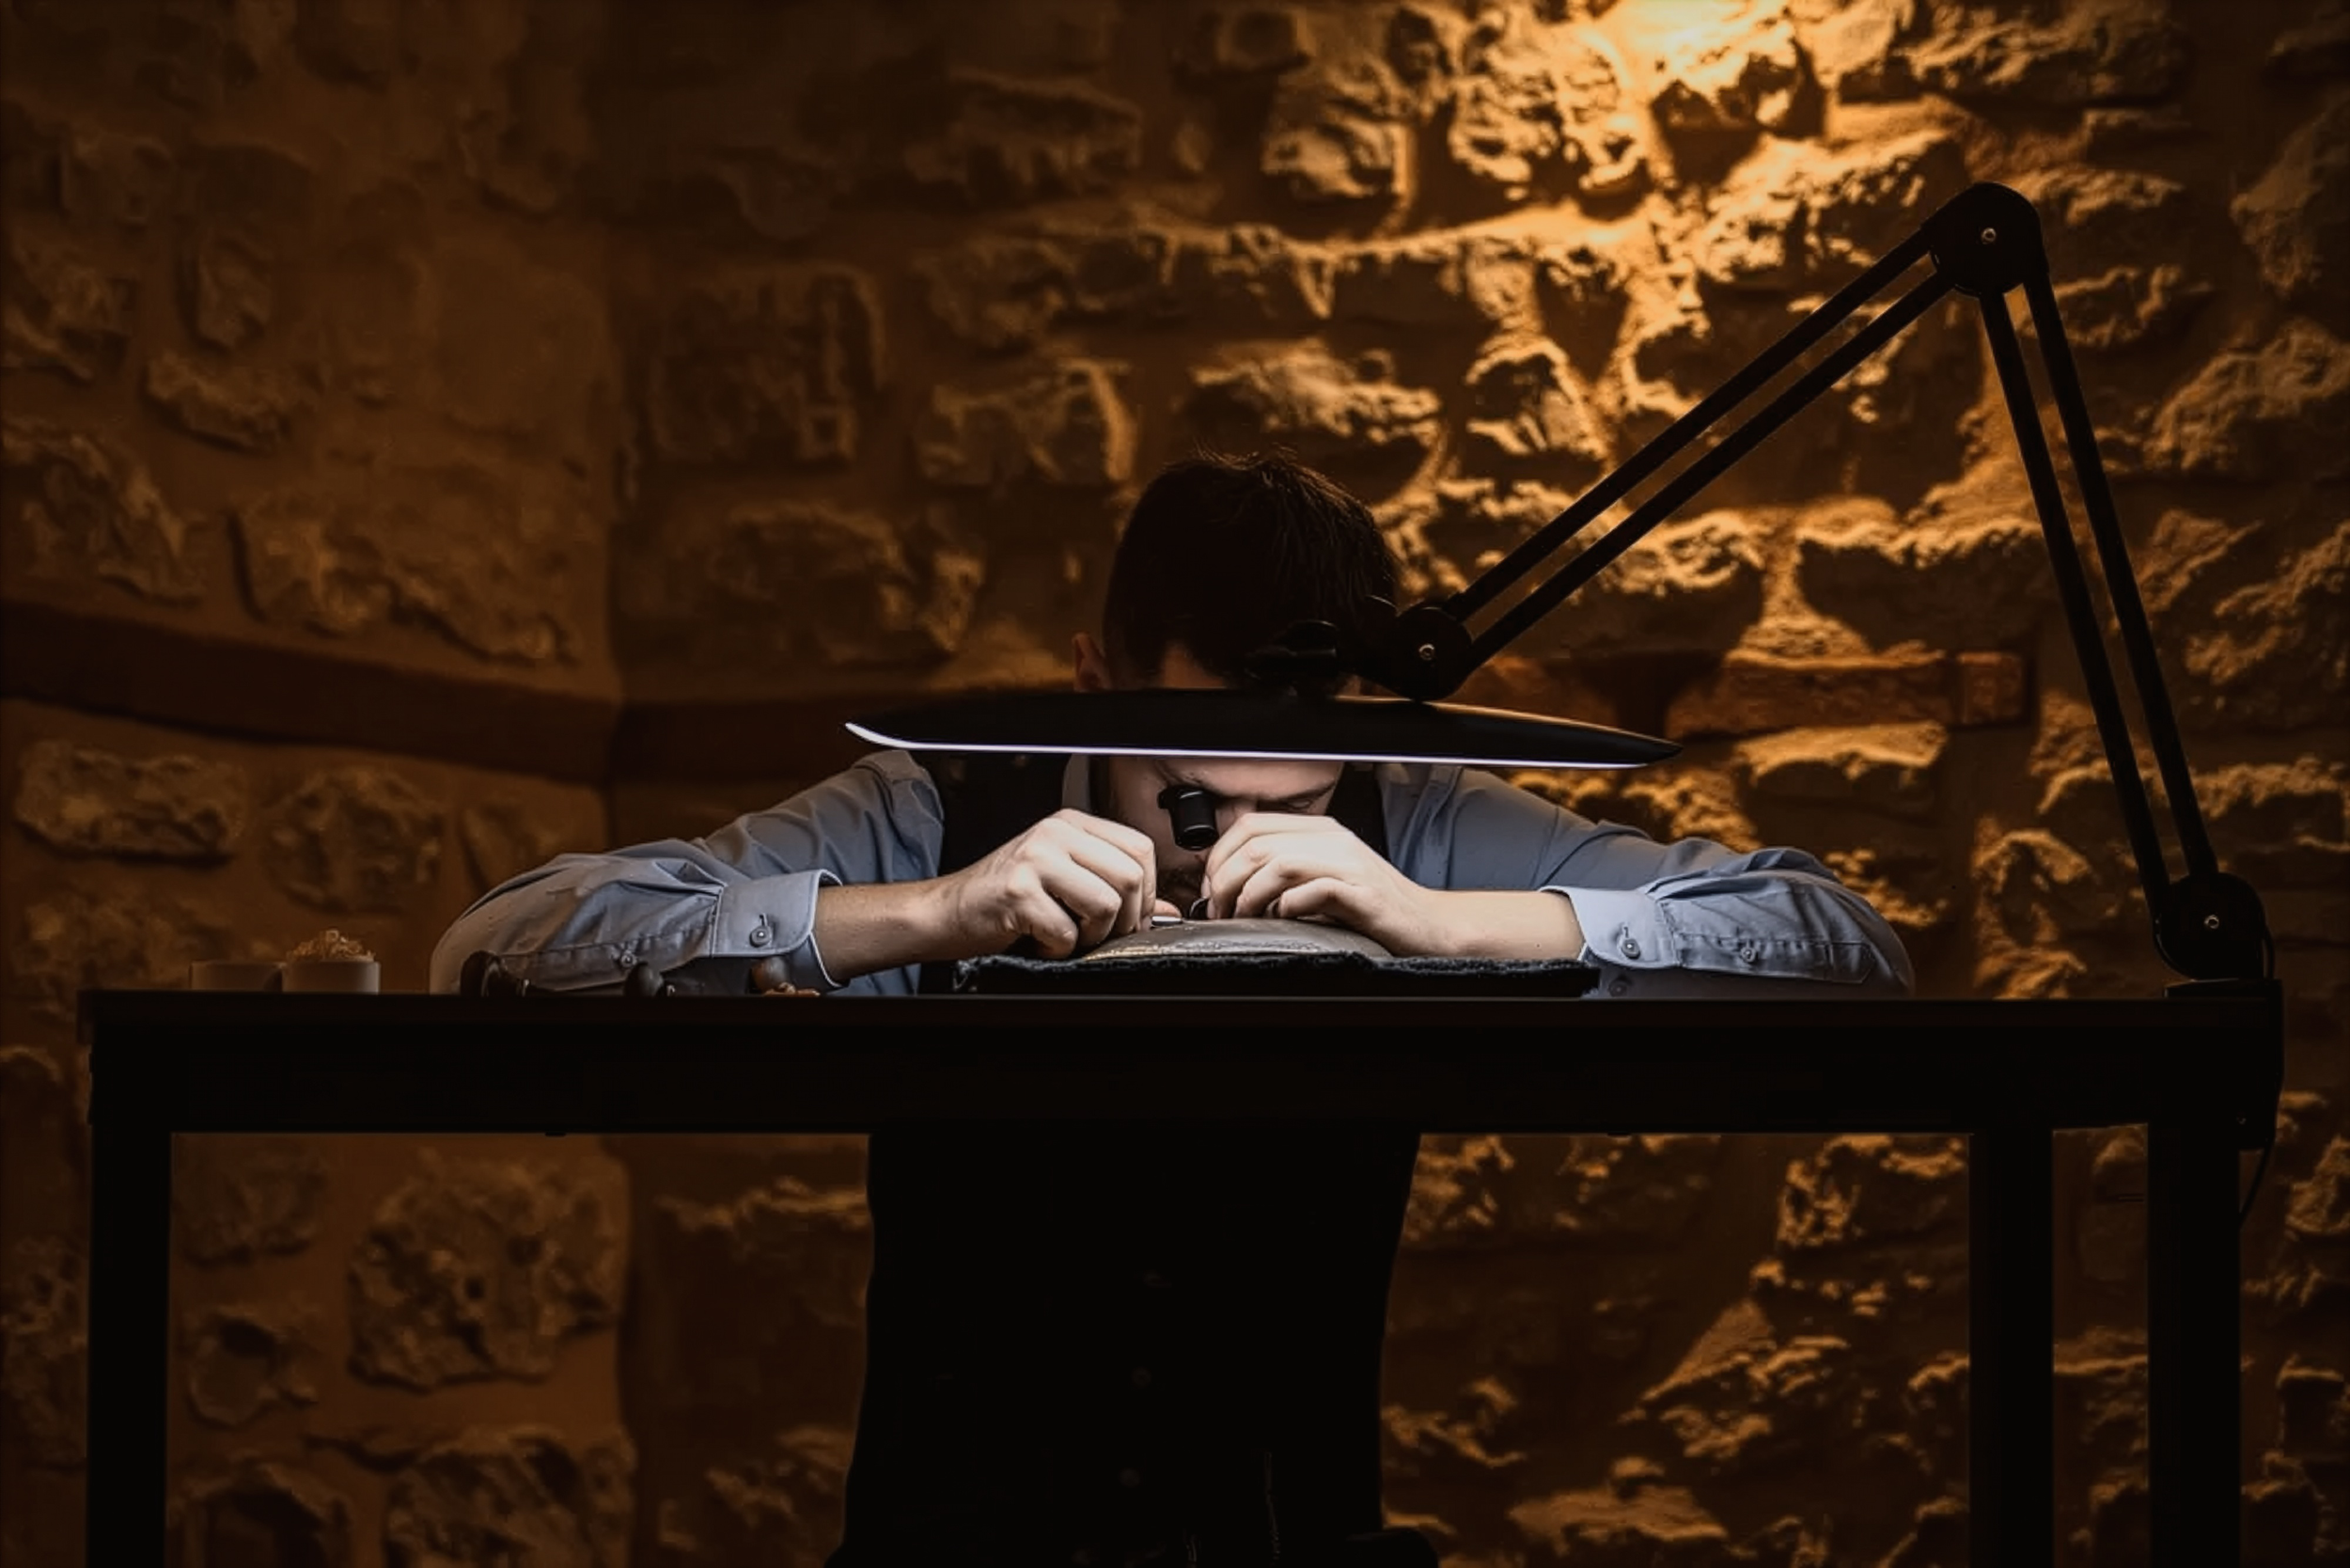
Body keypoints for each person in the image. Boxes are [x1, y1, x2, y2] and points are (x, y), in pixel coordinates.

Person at [431, 452, 1911, 1566]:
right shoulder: (941, 802)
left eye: (1307, 786)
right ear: (1094, 684)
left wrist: (1440, 920)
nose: (1237, 845)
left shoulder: (1426, 820)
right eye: (1190, 788)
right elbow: (499, 947)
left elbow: (1842, 947)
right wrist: (925, 916)